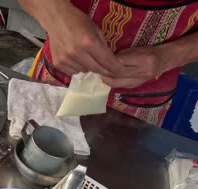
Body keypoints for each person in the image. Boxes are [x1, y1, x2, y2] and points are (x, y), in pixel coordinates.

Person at [19, 0, 198, 126]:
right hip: (60, 71)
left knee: (114, 172)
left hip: (144, 95)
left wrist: (168, 57)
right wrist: (55, 15)